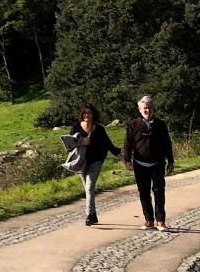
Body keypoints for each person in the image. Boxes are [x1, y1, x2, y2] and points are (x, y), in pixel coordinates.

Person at [123, 94, 174, 230]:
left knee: (158, 191)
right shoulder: (133, 125)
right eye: (145, 108)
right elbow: (128, 144)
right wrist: (127, 160)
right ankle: (149, 219)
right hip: (140, 163)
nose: (147, 110)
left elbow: (167, 143)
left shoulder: (160, 124)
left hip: (157, 163)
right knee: (144, 192)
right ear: (140, 110)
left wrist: (170, 161)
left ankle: (161, 220)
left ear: (153, 109)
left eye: (150, 108)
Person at [73, 103, 118, 226]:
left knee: (89, 187)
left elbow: (109, 145)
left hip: (96, 161)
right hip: (81, 162)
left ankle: (88, 215)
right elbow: (69, 145)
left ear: (93, 114)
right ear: (81, 115)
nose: (87, 115)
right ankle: (93, 215)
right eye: (85, 113)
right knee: (88, 190)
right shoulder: (76, 127)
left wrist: (123, 159)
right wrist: (82, 141)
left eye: (89, 113)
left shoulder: (99, 129)